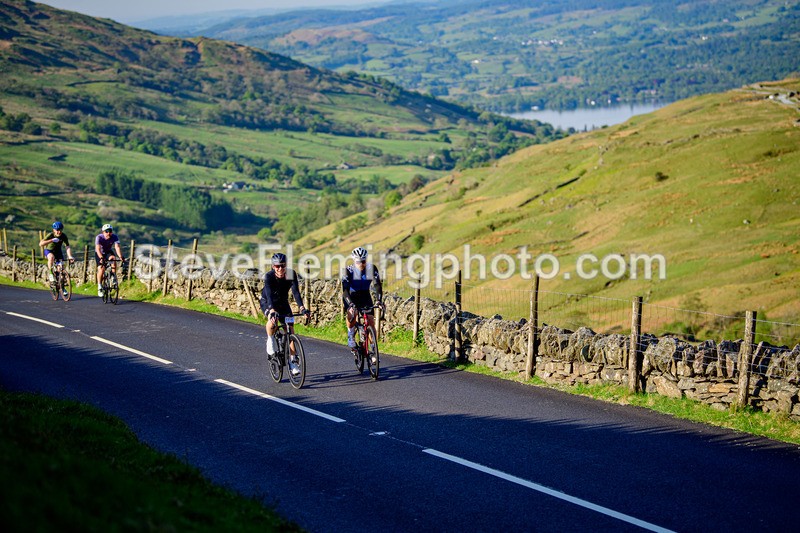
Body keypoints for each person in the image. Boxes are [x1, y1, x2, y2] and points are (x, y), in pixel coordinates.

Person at [259, 253, 309, 375]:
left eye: (283, 266)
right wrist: (271, 310)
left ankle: (293, 362)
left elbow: (296, 293)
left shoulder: (291, 274)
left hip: (283, 303)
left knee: (290, 329)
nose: (280, 269)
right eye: (277, 266)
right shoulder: (269, 276)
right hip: (267, 302)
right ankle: (270, 340)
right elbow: (269, 295)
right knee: (272, 323)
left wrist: (302, 308)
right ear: (273, 266)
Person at [342, 246, 384, 352]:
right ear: (354, 261)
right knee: (353, 313)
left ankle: (374, 349)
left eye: (363, 261)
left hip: (365, 295)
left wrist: (379, 300)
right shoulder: (347, 270)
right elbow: (345, 290)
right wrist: (350, 304)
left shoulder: (371, 268)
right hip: (351, 296)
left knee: (370, 321)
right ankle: (350, 335)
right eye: (358, 262)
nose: (361, 264)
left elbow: (377, 285)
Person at [39, 221, 75, 291]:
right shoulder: (51, 235)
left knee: (61, 270)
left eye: (60, 230)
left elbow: (67, 247)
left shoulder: (63, 236)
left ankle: (62, 287)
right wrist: (51, 240)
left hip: (58, 252)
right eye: (57, 230)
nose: (59, 232)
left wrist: (70, 256)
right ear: (54, 230)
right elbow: (41, 244)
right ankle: (50, 274)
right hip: (49, 250)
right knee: (51, 257)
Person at [95, 223, 124, 297]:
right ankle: (99, 286)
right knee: (101, 269)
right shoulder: (99, 237)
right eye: (106, 231)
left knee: (113, 259)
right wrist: (101, 258)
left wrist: (120, 256)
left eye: (110, 231)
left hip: (108, 251)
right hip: (100, 253)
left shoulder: (114, 237)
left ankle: (113, 277)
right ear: (103, 232)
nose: (109, 233)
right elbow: (98, 249)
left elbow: (117, 247)